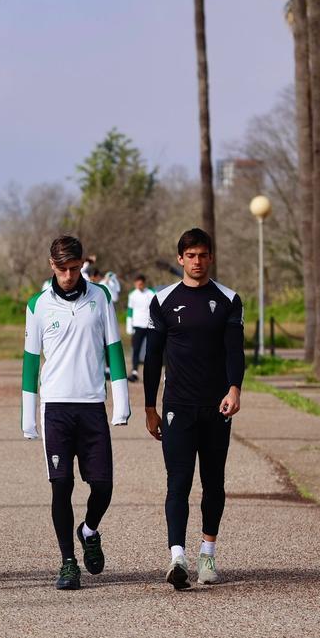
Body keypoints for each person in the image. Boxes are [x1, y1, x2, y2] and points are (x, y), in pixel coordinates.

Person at [22, 236, 130, 589]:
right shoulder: (38, 305)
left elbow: (113, 349)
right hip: (55, 407)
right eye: (63, 269)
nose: (69, 275)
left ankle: (89, 530)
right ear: (51, 265)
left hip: (92, 405)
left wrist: (121, 403)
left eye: (75, 268)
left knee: (103, 485)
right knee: (61, 485)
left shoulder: (100, 298)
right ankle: (68, 562)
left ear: (83, 263)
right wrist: (28, 416)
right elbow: (29, 362)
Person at [143, 228, 244, 590]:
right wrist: (149, 407)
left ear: (210, 257)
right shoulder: (163, 300)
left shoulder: (229, 299)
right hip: (177, 408)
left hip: (217, 406)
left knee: (213, 481)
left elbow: (235, 350)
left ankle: (207, 554)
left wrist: (234, 389)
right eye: (191, 256)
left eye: (203, 255)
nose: (197, 262)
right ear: (181, 259)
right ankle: (176, 557)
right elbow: (152, 358)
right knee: (179, 481)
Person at [126, 274, 156, 382]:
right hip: (137, 325)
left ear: (144, 283)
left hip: (149, 325)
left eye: (140, 284)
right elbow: (130, 311)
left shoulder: (151, 293)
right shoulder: (132, 295)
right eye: (137, 284)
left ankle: (151, 372)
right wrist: (129, 328)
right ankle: (134, 371)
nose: (139, 285)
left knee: (151, 350)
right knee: (136, 349)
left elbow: (155, 310)